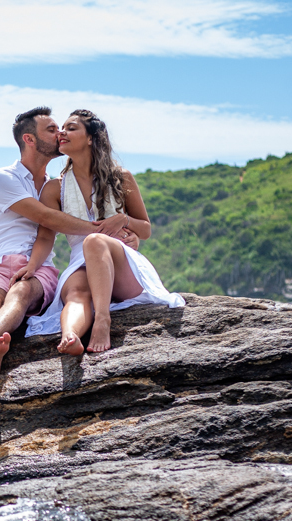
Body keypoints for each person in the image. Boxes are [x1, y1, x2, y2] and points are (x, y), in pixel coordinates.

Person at [22, 109, 184, 353]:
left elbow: (146, 229)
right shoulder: (54, 189)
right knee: (76, 292)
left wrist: (123, 220)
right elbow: (46, 236)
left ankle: (102, 320)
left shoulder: (122, 178)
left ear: (91, 138)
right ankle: (70, 337)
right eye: (61, 128)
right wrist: (32, 267)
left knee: (95, 241)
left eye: (72, 127)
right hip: (80, 262)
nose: (62, 132)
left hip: (121, 264)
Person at [0, 107, 115, 377]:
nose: (59, 133)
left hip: (38, 266)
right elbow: (46, 217)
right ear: (29, 139)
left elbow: (47, 229)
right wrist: (103, 228)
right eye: (51, 129)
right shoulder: (4, 178)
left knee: (20, 294)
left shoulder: (54, 186)